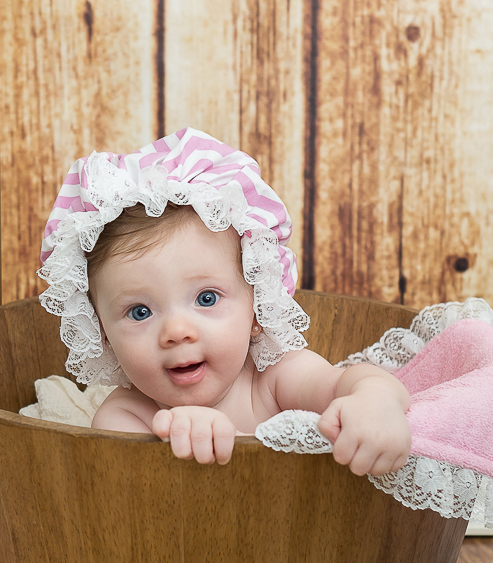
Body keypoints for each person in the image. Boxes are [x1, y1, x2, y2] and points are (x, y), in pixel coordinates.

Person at [37, 128, 411, 473]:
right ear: (101, 333)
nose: (176, 331)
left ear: (257, 308)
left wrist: (375, 400)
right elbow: (135, 503)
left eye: (206, 298)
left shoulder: (276, 379)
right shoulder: (124, 417)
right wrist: (180, 440)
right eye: (140, 312)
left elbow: (347, 382)